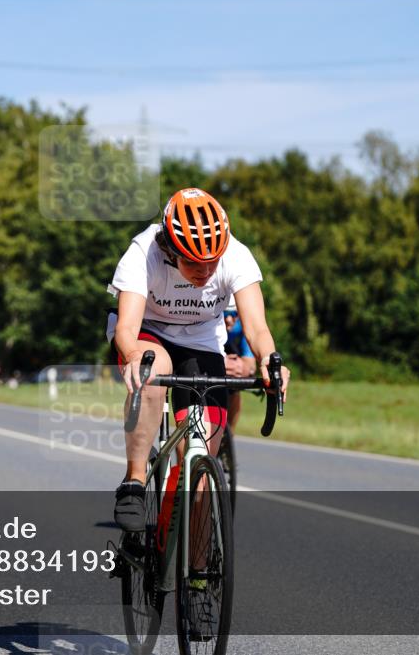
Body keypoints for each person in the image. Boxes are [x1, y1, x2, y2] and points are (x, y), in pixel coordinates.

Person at [107, 187, 290, 532]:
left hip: (201, 340)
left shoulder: (236, 255)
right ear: (170, 249)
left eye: (212, 262)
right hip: (148, 331)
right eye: (192, 262)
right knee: (153, 370)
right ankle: (134, 481)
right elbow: (126, 328)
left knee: (202, 460)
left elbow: (257, 328)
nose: (205, 271)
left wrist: (268, 359)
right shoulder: (143, 252)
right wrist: (132, 355)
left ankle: (185, 548)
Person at [219, 305, 257, 477]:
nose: (229, 319)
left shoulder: (242, 325)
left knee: (236, 387)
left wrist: (242, 368)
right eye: (225, 314)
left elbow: (250, 365)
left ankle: (228, 437)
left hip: (234, 353)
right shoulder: (208, 319)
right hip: (209, 348)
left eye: (234, 314)